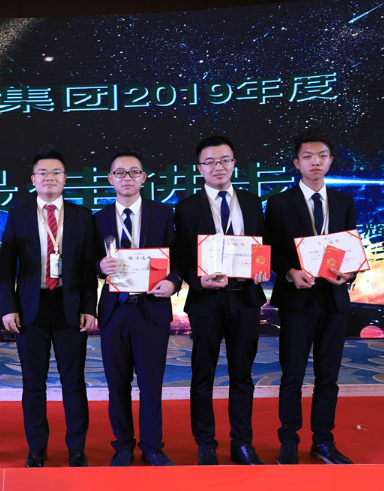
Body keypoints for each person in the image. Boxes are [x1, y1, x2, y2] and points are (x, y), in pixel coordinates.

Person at [0, 144, 97, 468]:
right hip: (30, 309)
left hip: (70, 307)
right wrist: (7, 307)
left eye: (56, 172)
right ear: (33, 179)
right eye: (43, 172)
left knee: (74, 382)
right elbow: (6, 267)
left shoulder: (82, 216)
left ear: (65, 178)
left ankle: (76, 449)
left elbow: (88, 268)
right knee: (33, 383)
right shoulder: (19, 214)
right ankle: (37, 447)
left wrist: (89, 307)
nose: (49, 177)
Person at [173, 136, 268, 465]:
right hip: (206, 302)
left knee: (243, 374)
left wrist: (261, 268)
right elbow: (180, 255)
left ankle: (242, 443)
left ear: (234, 163)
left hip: (245, 299)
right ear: (199, 168)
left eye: (225, 160)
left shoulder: (253, 202)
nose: (218, 167)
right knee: (203, 374)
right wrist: (196, 279)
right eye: (210, 162)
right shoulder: (186, 207)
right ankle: (206, 443)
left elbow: (261, 246)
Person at [265, 128, 356, 465]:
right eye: (307, 156)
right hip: (297, 300)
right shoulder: (279, 203)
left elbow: (350, 248)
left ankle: (323, 441)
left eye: (322, 156)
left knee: (328, 376)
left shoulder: (344, 202)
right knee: (292, 375)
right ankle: (288, 440)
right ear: (296, 163)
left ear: (330, 161)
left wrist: (349, 273)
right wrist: (290, 272)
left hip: (334, 299)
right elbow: (270, 250)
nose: (315, 162)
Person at [94, 148, 182, 467]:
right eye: (120, 173)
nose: (127, 178)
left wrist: (173, 281)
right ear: (110, 179)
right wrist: (99, 266)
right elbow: (87, 262)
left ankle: (152, 446)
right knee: (116, 384)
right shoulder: (98, 219)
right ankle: (122, 446)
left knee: (151, 383)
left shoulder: (163, 213)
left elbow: (179, 257)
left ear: (143, 177)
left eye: (134, 172)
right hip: (115, 311)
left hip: (152, 309)